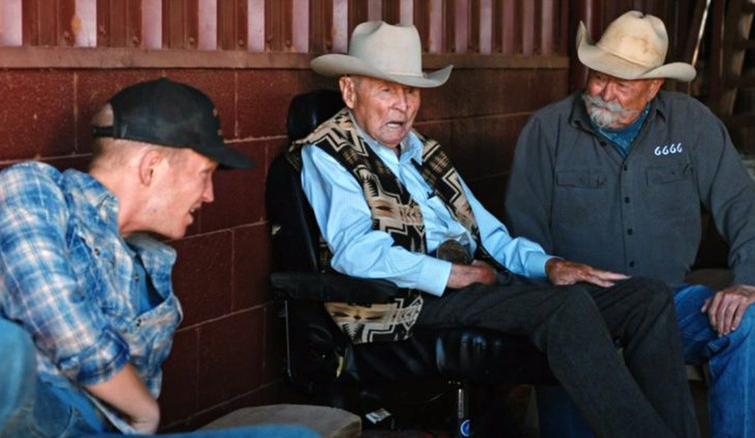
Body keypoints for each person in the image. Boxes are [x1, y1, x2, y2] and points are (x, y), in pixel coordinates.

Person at [289, 20, 701, 438]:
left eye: (411, 91)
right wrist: (454, 275)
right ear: (349, 91)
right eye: (387, 90)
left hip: (476, 288)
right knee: (567, 308)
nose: (403, 106)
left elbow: (491, 235)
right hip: (406, 304)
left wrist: (549, 266)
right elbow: (354, 251)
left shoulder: (422, 151)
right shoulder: (326, 153)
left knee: (646, 298)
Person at [0, 78, 321, 438]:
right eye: (205, 175)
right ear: (151, 167)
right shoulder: (33, 189)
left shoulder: (150, 265)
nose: (209, 195)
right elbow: (59, 320)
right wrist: (143, 411)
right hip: (31, 417)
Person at [505, 10, 755, 438]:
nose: (604, 92)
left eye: (622, 84)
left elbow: (742, 204)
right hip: (578, 310)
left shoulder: (691, 124)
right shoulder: (547, 131)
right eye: (599, 77)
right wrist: (553, 288)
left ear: (654, 86)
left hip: (669, 304)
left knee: (746, 324)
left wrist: (747, 281)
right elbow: (523, 234)